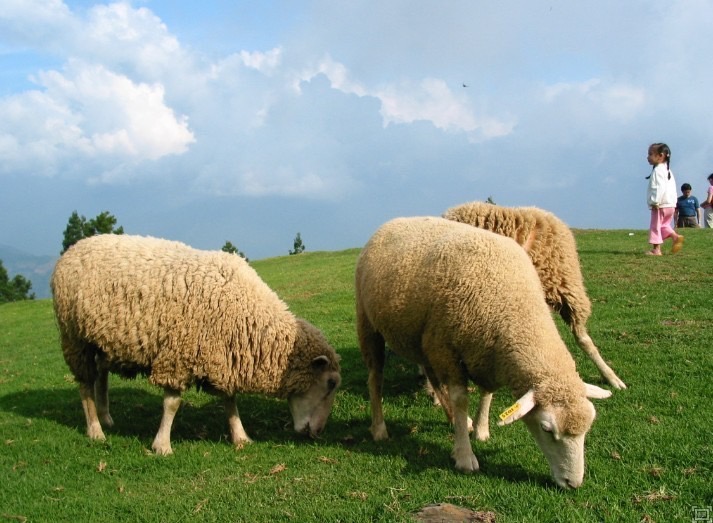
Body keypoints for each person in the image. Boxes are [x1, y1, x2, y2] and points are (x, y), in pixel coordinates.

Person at [645, 143, 684, 255]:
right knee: (664, 225)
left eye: (650, 154)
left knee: (655, 226)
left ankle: (656, 249)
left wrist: (654, 201)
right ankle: (675, 237)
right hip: (670, 204)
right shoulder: (668, 170)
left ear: (661, 155)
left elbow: (658, 187)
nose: (648, 157)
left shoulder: (657, 170)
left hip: (660, 204)